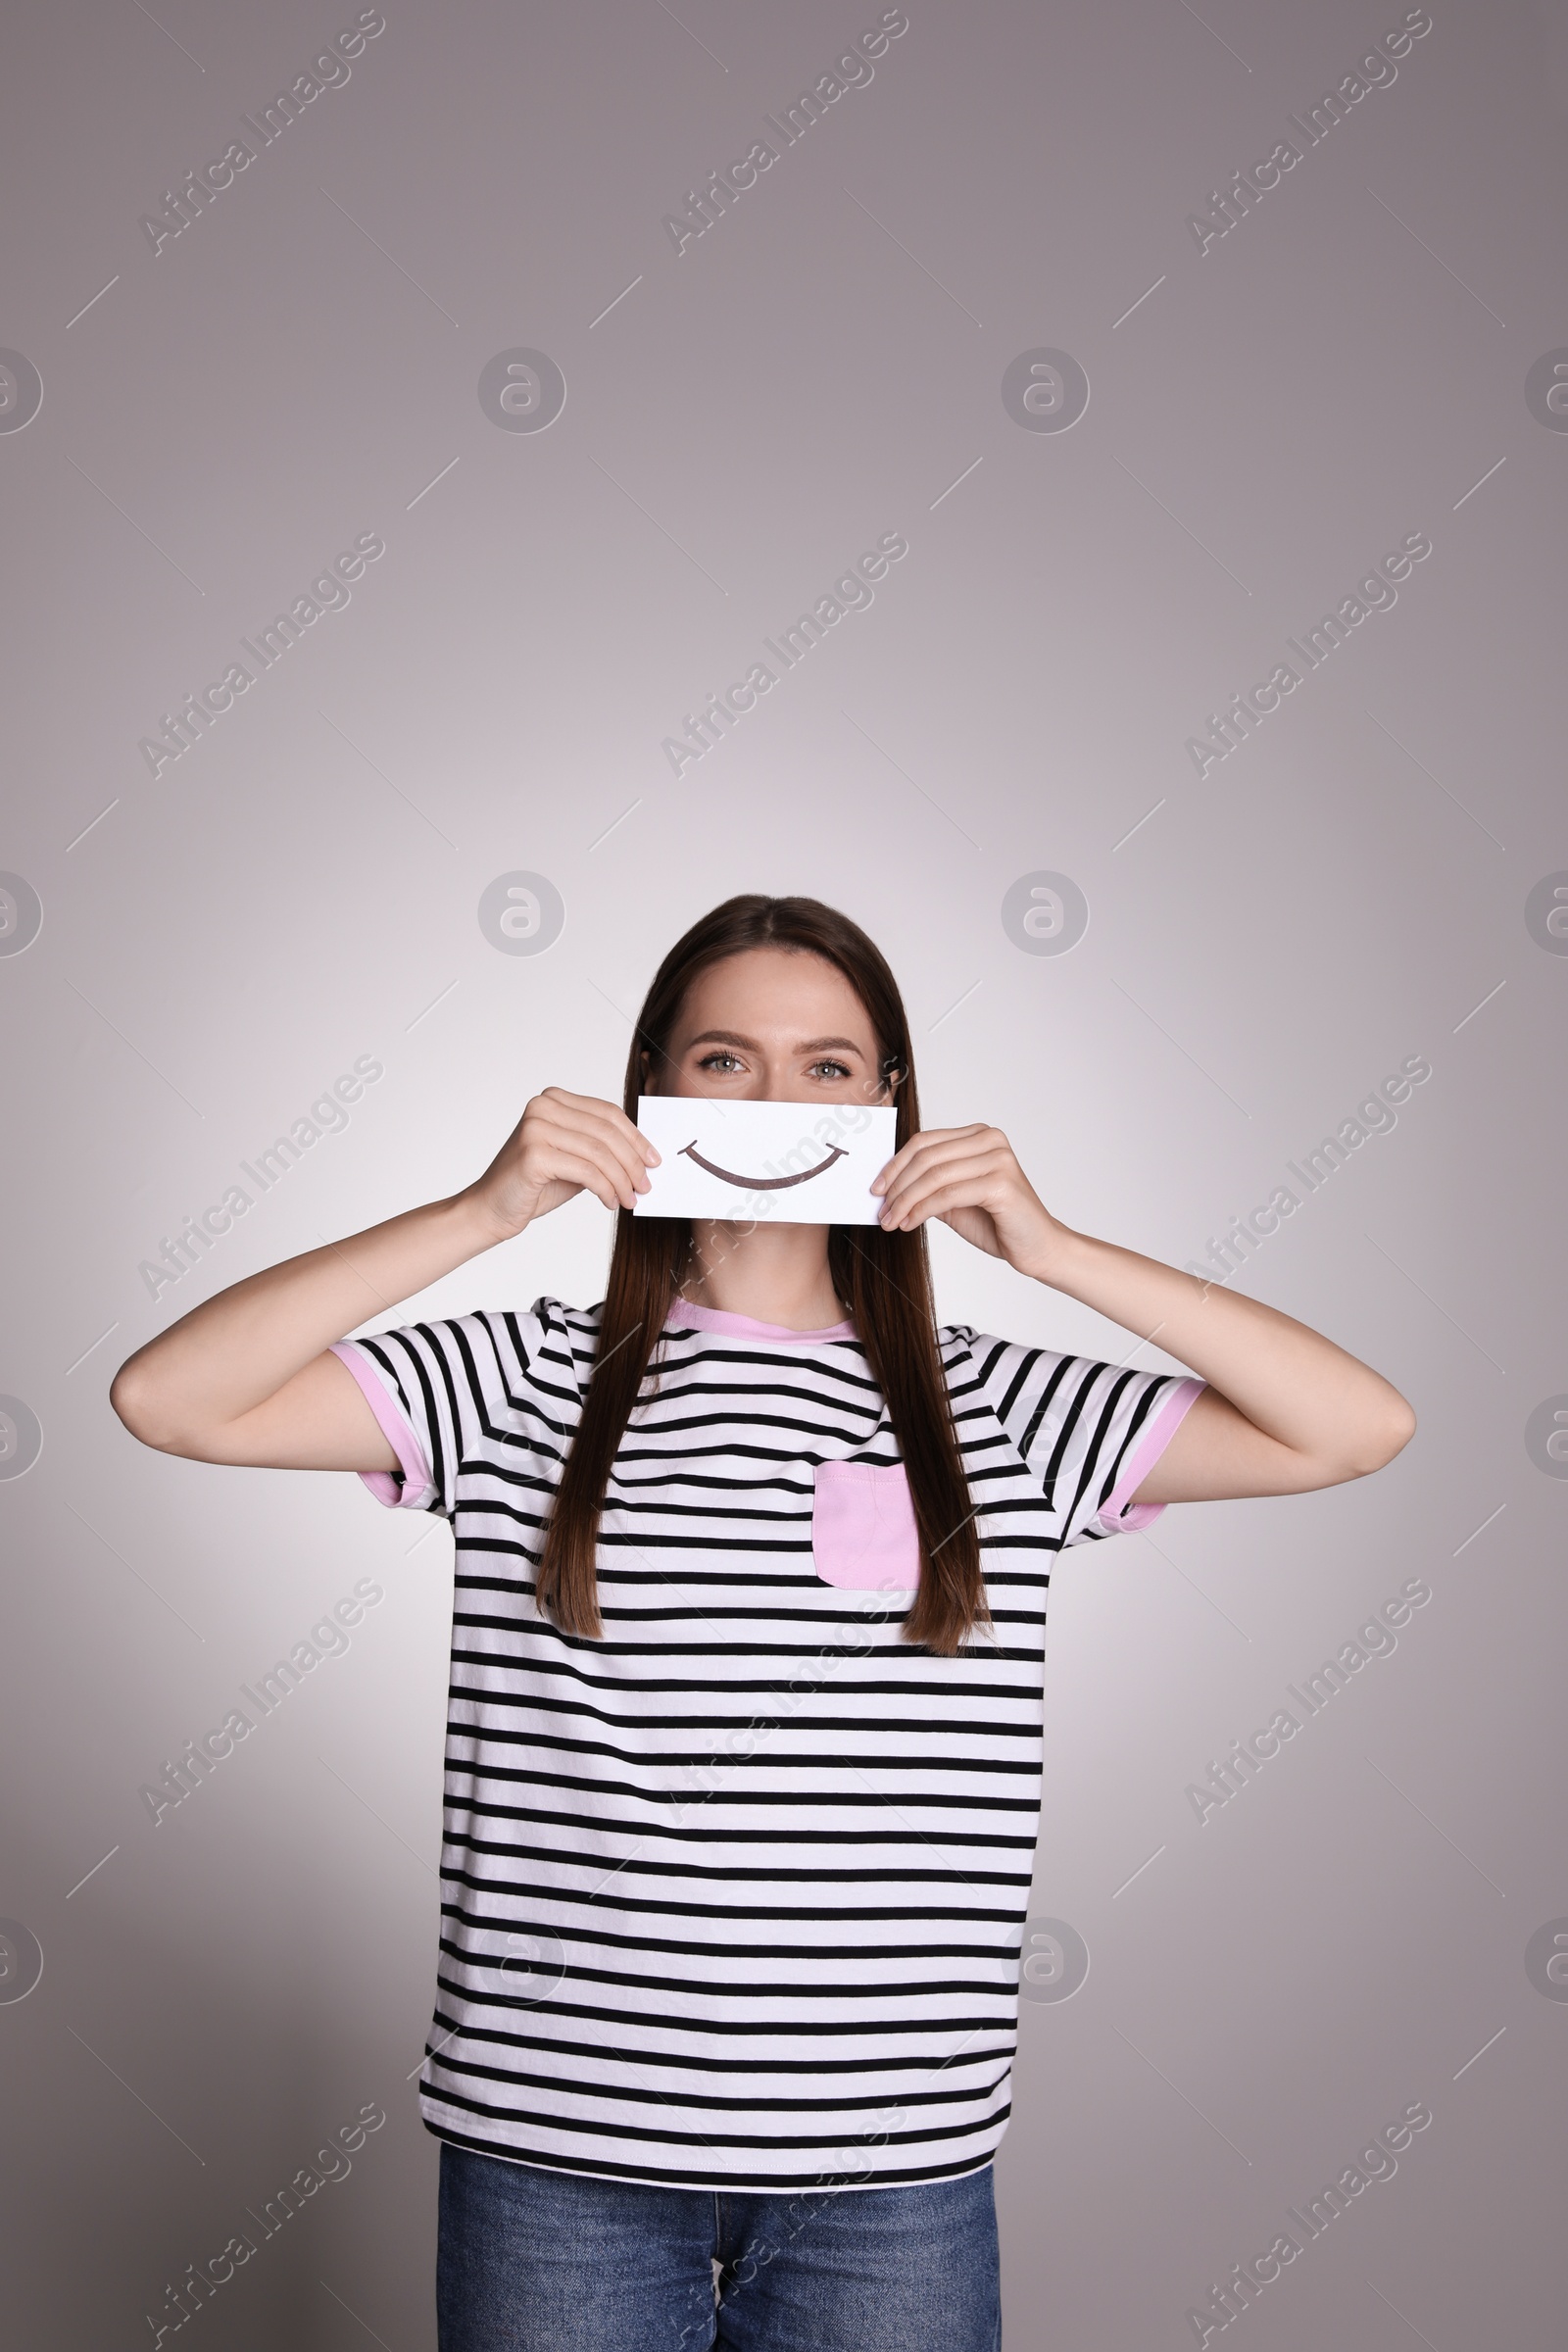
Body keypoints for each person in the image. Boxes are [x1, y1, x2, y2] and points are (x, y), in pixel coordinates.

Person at [110, 894, 1415, 2352]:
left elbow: (1355, 1427)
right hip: (556, 2151)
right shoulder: (519, 1375)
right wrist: (482, 1214)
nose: (778, 1101)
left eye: (830, 1069)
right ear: (650, 1096)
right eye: (724, 1062)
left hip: (890, 2171)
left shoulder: (1002, 1402)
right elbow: (171, 1399)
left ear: (892, 1106)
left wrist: (1053, 1251)